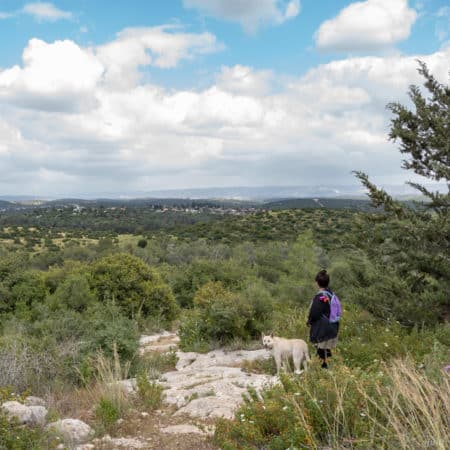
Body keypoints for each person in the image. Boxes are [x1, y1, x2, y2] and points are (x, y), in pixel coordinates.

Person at [307, 269, 339, 369]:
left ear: (317, 283)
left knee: (321, 351)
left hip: (322, 329)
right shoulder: (330, 294)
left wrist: (309, 321)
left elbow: (314, 313)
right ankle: (328, 371)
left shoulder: (320, 297)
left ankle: (324, 372)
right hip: (332, 326)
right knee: (327, 351)